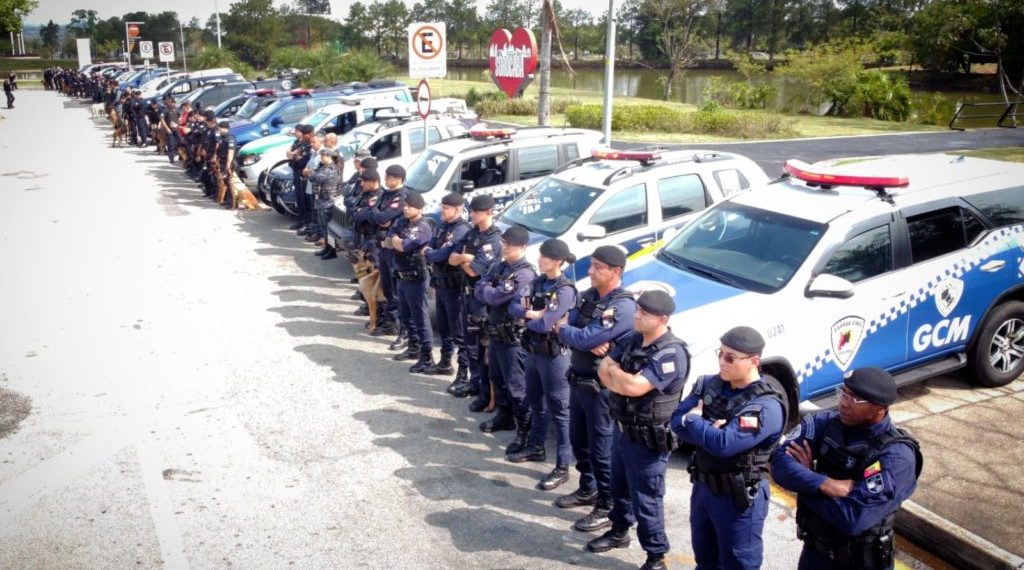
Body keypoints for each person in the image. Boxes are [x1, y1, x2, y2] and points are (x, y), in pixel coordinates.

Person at [771, 367, 922, 570]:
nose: (843, 402)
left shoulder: (896, 457)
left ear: (880, 407)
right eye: (843, 393)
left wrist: (804, 480)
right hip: (815, 555)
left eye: (854, 399)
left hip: (859, 563)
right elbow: (780, 464)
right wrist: (823, 483)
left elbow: (852, 518)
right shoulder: (824, 423)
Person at [671, 326, 787, 570]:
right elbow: (675, 422)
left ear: (754, 361)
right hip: (703, 488)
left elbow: (724, 445)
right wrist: (709, 430)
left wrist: (695, 421)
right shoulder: (708, 385)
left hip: (737, 497)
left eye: (730, 357)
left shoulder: (765, 405)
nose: (722, 362)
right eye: (720, 353)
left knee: (737, 562)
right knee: (705, 557)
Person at [589, 290, 689, 570]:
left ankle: (656, 556)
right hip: (623, 429)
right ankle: (619, 531)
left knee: (646, 499)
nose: (637, 315)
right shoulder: (634, 338)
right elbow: (602, 370)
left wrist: (619, 378)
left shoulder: (671, 353)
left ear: (662, 319)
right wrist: (623, 380)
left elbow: (634, 387)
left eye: (644, 313)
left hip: (648, 441)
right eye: (638, 310)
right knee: (618, 486)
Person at [554, 246, 637, 533]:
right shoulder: (588, 296)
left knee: (602, 450)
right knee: (580, 441)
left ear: (616, 272)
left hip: (603, 389)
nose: (590, 271)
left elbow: (586, 335)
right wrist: (577, 336)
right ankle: (587, 488)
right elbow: (565, 325)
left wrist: (579, 336)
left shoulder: (623, 306)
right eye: (591, 265)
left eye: (598, 267)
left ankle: (606, 504)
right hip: (578, 379)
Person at [508, 238, 577, 491]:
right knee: (537, 404)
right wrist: (531, 314)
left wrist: (531, 318)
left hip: (554, 357)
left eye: (545, 257)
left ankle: (562, 466)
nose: (540, 260)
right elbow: (514, 306)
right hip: (533, 353)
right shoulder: (538, 282)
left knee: (560, 411)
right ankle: (536, 447)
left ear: (557, 261)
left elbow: (546, 324)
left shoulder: (564, 289)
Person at [474, 226, 537, 446]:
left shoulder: (524, 273)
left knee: (516, 386)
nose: (504, 246)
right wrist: (486, 289)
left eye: (509, 244)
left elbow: (494, 296)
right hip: (496, 334)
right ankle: (505, 416)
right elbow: (480, 287)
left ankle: (524, 432)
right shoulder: (500, 266)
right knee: (497, 379)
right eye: (504, 242)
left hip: (513, 338)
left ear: (522, 247)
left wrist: (487, 290)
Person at [448, 195, 503, 409]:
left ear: (489, 212)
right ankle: (475, 382)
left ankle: (486, 393)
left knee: (481, 346)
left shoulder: (493, 240)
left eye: (477, 212)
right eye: (471, 211)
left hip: (482, 300)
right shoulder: (472, 233)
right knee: (469, 342)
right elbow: (453, 257)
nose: (472, 215)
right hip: (468, 294)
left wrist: (463, 259)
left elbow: (474, 270)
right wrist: (463, 258)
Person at [422, 193, 471, 381]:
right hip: (440, 285)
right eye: (442, 207)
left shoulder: (461, 230)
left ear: (457, 209)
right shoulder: (443, 226)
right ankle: (445, 363)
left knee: (459, 332)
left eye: (445, 208)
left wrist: (431, 253)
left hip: (454, 288)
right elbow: (431, 247)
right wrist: (431, 252)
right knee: (444, 328)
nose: (442, 211)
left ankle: (462, 374)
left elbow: (442, 255)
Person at [390, 191, 435, 372]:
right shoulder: (403, 221)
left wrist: (395, 240)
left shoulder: (422, 227)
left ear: (420, 209)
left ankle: (427, 356)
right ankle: (413, 348)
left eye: (410, 206)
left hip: (417, 278)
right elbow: (390, 234)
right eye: (405, 205)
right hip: (402, 276)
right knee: (405, 315)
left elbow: (403, 245)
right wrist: (394, 239)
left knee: (420, 318)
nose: (406, 208)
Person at [368, 165, 409, 340]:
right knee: (386, 286)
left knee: (394, 287)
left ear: (398, 179)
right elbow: (375, 214)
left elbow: (383, 218)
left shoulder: (402, 197)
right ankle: (389, 319)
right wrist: (380, 216)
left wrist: (381, 216)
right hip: (382, 245)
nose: (385, 178)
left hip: (393, 249)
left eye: (388, 176)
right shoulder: (385, 194)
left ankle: (396, 324)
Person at [310, 148, 343, 258]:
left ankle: (332, 250)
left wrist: (313, 173)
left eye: (323, 156)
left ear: (328, 157)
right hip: (321, 201)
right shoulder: (322, 167)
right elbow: (313, 176)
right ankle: (327, 247)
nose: (321, 158)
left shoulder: (331, 169)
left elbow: (313, 177)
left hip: (327, 201)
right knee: (323, 226)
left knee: (329, 228)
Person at [288, 124, 314, 234]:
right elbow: (291, 154)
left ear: (311, 134)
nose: (302, 137)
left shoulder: (311, 146)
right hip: (297, 174)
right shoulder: (302, 143)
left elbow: (303, 161)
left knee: (306, 201)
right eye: (302, 134)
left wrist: (296, 157)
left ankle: (307, 223)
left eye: (305, 135)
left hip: (305, 177)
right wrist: (296, 156)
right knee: (300, 199)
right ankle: (301, 220)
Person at [215, 121, 238, 207]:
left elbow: (230, 152)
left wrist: (228, 165)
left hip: (228, 162)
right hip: (222, 161)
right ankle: (225, 200)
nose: (219, 129)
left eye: (220, 128)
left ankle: (232, 203)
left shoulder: (230, 138)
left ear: (224, 128)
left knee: (229, 183)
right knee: (223, 182)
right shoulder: (222, 137)